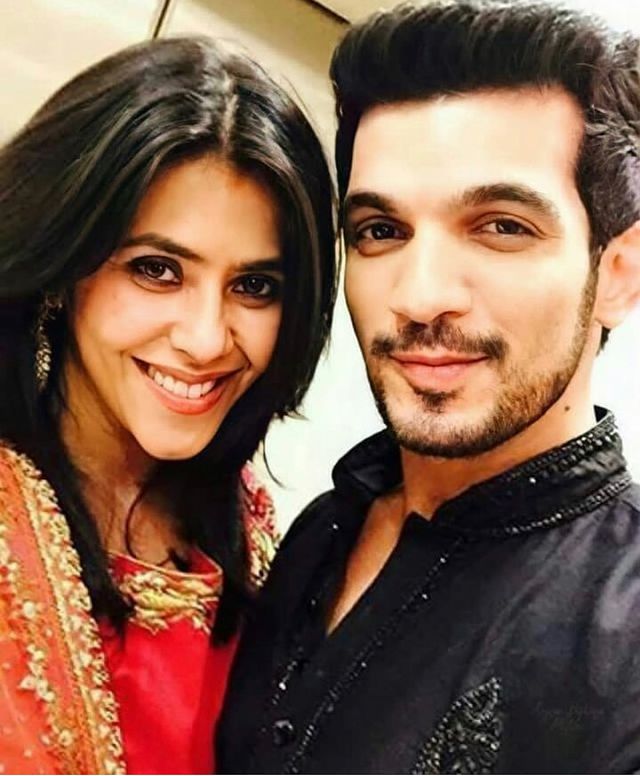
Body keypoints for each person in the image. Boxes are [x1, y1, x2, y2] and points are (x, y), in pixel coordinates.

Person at [216, 1, 640, 772]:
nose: (419, 296)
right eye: (381, 231)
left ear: (618, 273)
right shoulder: (319, 531)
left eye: (501, 226)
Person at [0, 36, 336, 774]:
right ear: (63, 270)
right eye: (157, 270)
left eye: (255, 286)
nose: (206, 338)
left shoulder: (251, 529)